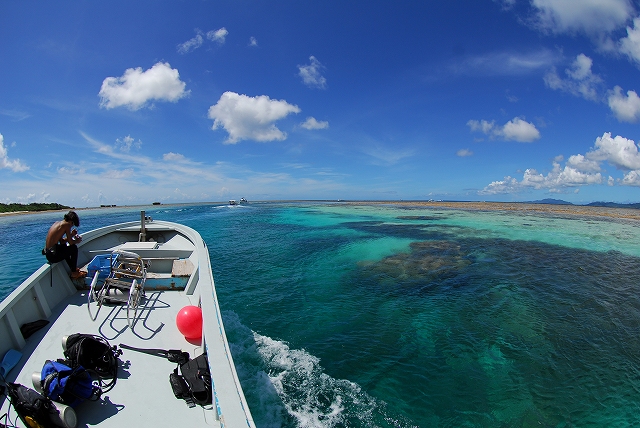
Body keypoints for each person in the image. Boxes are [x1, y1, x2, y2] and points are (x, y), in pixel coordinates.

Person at [43, 211, 85, 279]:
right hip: (53, 255)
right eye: (73, 224)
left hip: (49, 254)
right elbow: (71, 243)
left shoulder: (58, 223)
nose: (71, 226)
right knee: (74, 248)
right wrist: (77, 241)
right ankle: (74, 273)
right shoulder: (67, 225)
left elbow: (62, 241)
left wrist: (71, 235)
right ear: (71, 221)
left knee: (64, 246)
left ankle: (73, 269)